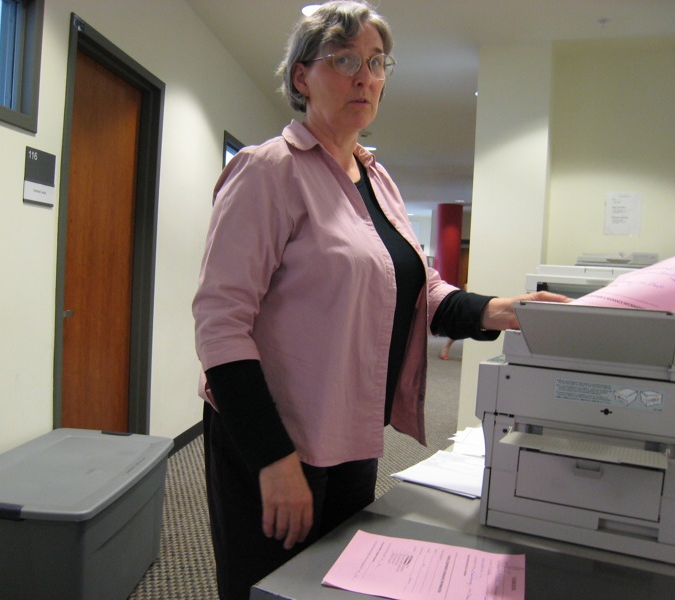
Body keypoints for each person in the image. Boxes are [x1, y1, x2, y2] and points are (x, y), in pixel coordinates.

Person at [192, 2, 568, 598]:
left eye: (375, 62)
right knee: (268, 589)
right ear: (301, 77)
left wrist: (504, 310)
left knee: (332, 586)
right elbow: (219, 325)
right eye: (343, 60)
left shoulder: (375, 177)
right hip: (274, 438)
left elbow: (418, 287)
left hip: (350, 430)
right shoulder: (268, 171)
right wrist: (273, 458)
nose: (364, 76)